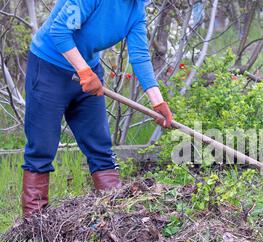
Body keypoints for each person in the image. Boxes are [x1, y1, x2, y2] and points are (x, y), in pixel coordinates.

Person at [21, 0, 173, 218]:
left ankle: (116, 217)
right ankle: (33, 223)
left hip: (89, 73)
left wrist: (158, 102)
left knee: (100, 146)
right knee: (41, 147)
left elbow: (139, 55)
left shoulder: (136, 9)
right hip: (49, 69)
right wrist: (83, 71)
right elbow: (60, 31)